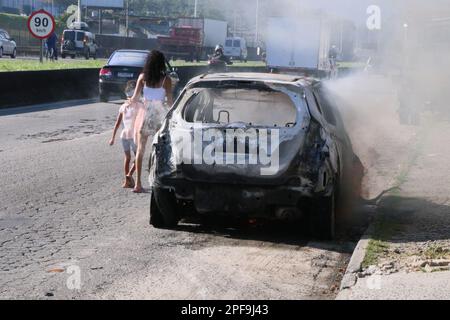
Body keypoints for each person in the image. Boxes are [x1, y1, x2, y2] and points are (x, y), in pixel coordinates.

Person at [130, 50, 173, 193]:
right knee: (160, 150)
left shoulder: (143, 78)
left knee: (140, 149)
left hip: (144, 115)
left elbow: (135, 98)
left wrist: (129, 102)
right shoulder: (166, 80)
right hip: (158, 116)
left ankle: (137, 184)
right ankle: (158, 181)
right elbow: (170, 102)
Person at [109, 81, 142, 188]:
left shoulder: (123, 106)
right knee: (138, 156)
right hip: (134, 136)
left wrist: (112, 138)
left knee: (127, 158)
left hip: (123, 135)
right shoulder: (139, 106)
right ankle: (129, 175)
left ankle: (126, 181)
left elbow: (117, 123)